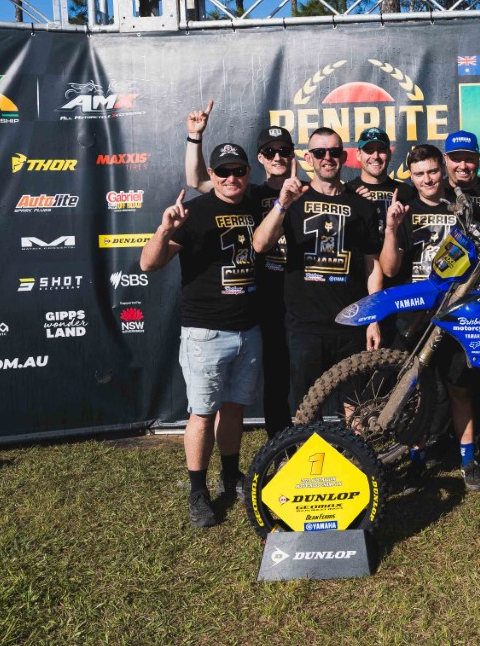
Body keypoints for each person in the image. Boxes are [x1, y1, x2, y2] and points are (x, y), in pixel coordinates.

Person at [141, 142, 262, 528]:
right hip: (206, 333)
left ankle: (230, 475)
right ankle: (198, 491)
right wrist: (165, 229)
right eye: (223, 172)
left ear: (247, 173)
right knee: (203, 414)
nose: (231, 178)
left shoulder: (255, 206)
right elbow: (148, 264)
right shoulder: (193, 213)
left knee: (235, 409)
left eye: (238, 171)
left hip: (248, 330)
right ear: (212, 175)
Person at [251, 127, 384, 410]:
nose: (327, 158)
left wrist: (373, 319)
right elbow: (260, 244)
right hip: (305, 327)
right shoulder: (294, 200)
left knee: (355, 407)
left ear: (344, 157)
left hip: (351, 324)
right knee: (307, 408)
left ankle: (351, 444)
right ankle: (311, 443)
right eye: (319, 152)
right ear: (308, 158)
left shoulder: (362, 205)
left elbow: (372, 265)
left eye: (334, 152)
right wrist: (282, 204)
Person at [380, 144, 480, 490]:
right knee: (415, 393)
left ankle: (468, 460)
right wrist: (391, 229)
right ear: (411, 176)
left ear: (442, 169)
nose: (427, 179)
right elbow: (390, 269)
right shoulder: (405, 210)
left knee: (460, 389)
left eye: (432, 171)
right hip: (415, 316)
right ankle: (416, 460)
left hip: (456, 313)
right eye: (419, 174)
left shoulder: (462, 208)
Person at [185, 102, 293, 437]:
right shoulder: (249, 195)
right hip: (265, 300)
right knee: (276, 382)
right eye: (269, 152)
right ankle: (282, 449)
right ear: (260, 158)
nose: (277, 157)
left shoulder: (307, 191)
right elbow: (197, 180)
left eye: (283, 151)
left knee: (307, 377)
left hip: (303, 296)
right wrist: (195, 138)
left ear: (293, 155)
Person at [437, 130, 480, 235]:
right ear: (446, 159)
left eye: (469, 159)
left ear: (478, 158)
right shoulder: (433, 195)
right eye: (456, 160)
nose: (463, 166)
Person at [346, 126, 400, 237]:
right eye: (369, 150)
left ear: (389, 154)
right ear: (358, 154)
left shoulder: (406, 192)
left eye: (381, 150)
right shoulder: (347, 192)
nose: (375, 156)